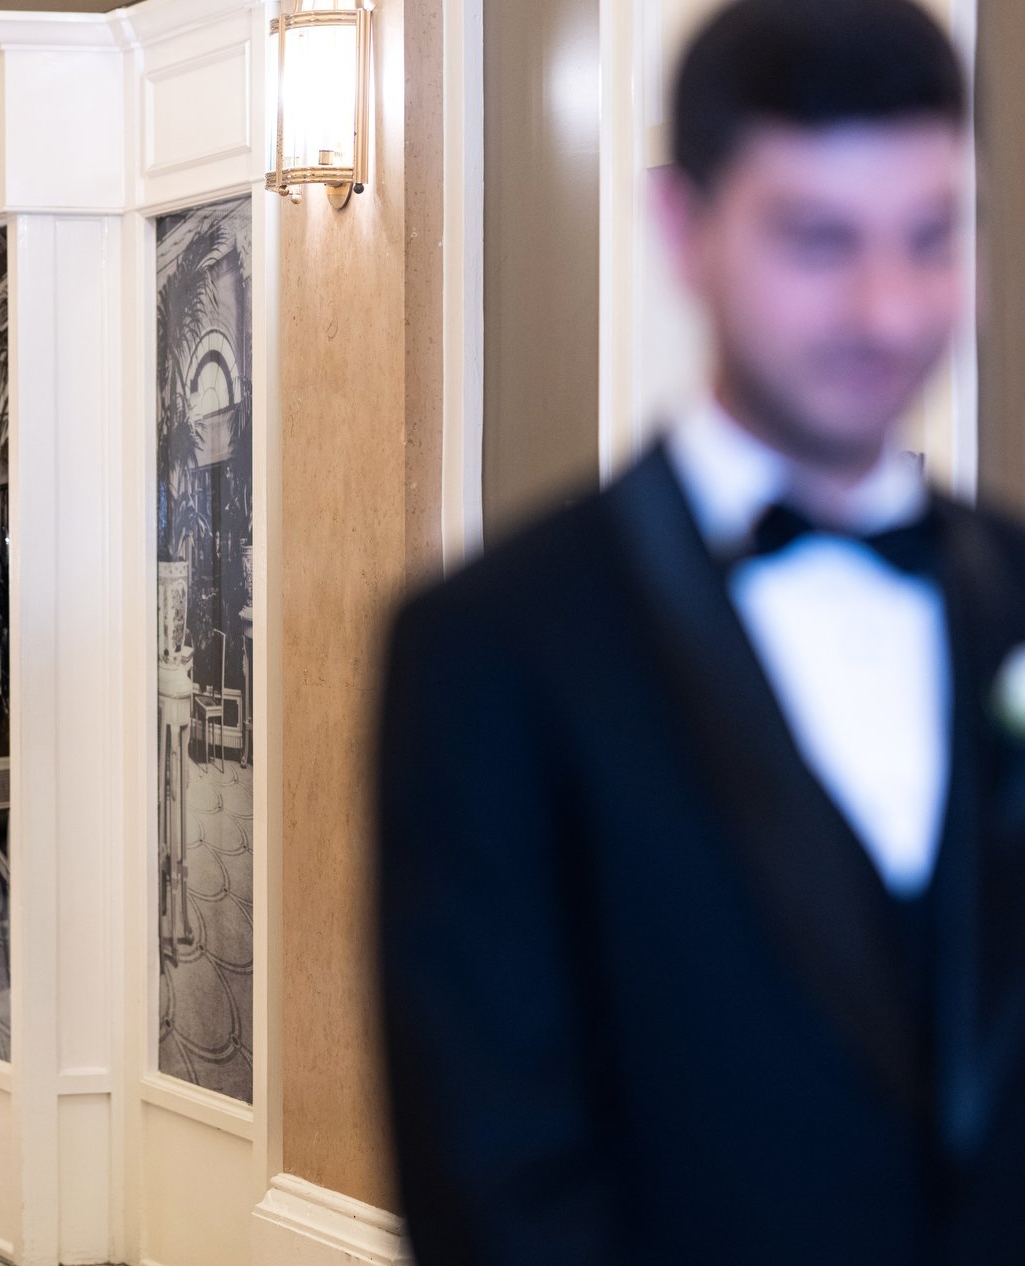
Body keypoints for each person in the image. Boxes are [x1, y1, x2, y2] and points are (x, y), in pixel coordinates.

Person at [375, 2, 1025, 1262]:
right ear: (684, 229)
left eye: (929, 237)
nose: (887, 310)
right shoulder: (493, 647)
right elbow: (490, 1177)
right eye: (818, 240)